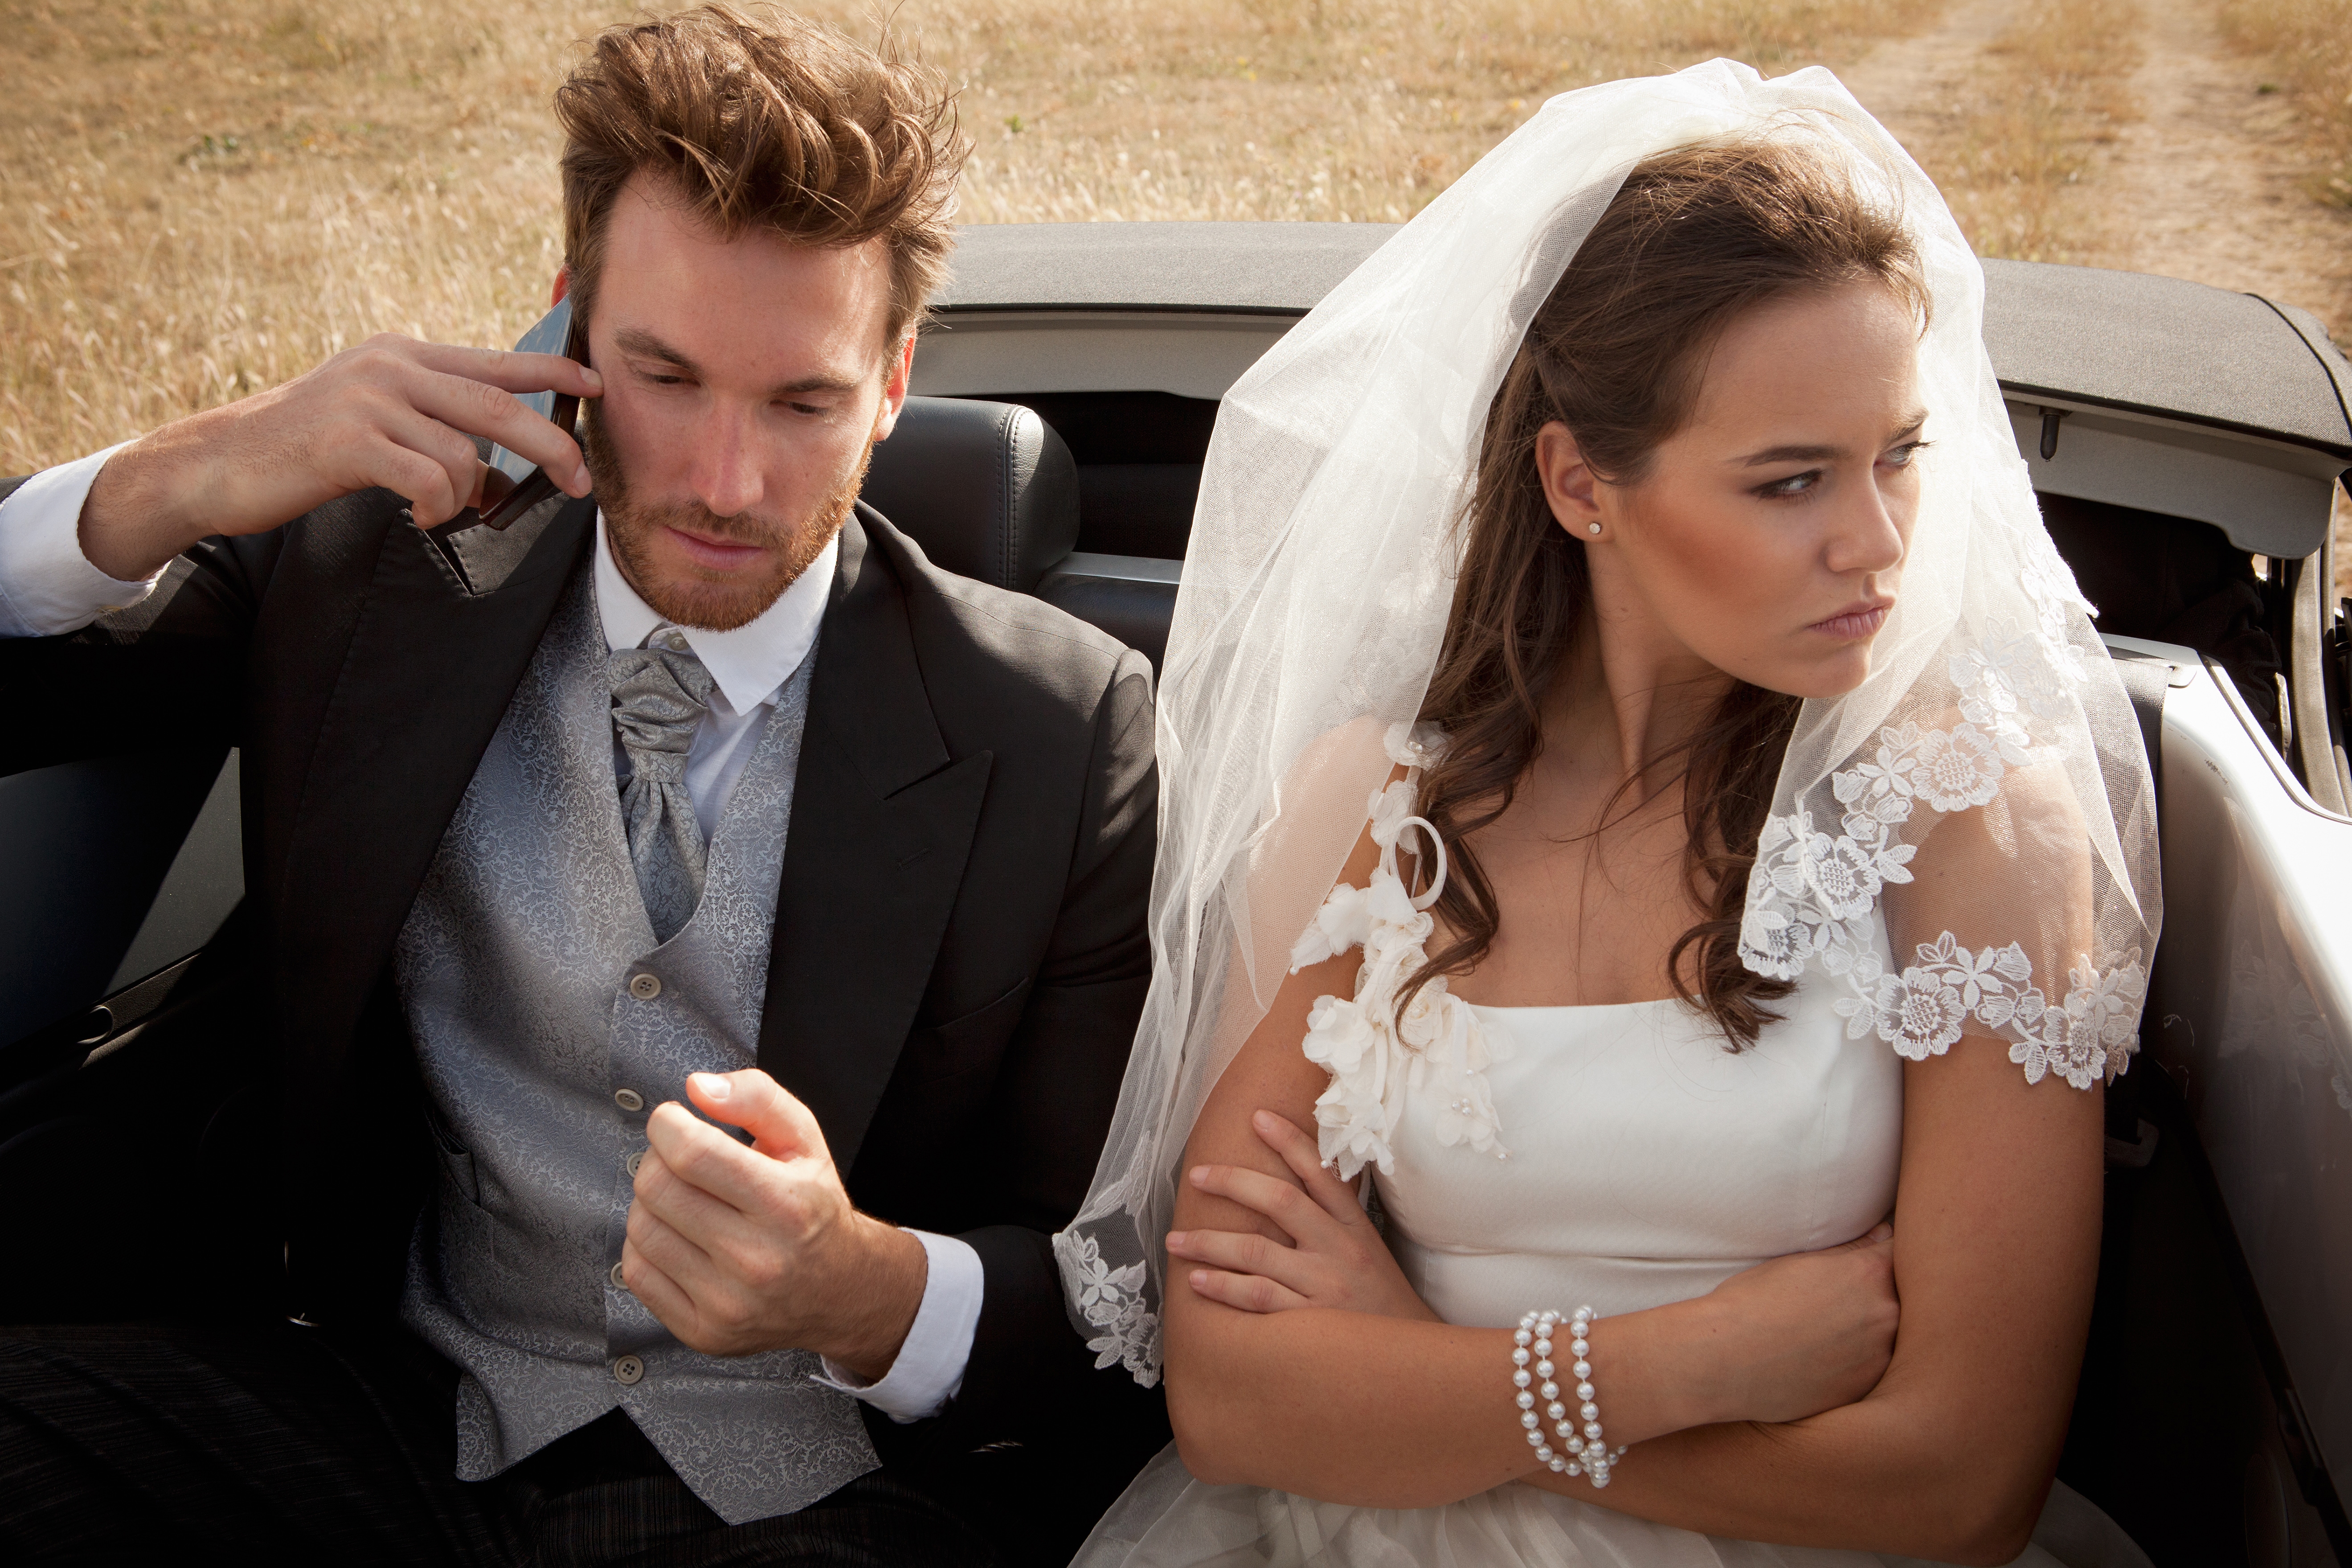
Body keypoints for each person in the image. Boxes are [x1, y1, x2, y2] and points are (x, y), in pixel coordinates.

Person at [0, 6, 1165, 1563]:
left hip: (807, 1488)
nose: (724, 483)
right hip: (387, 1405)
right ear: (566, 329)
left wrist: (870, 1286)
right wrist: (184, 471)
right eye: (664, 376)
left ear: (893, 383)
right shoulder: (372, 570)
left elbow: (1109, 1295)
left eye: (802, 402)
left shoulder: (1062, 725)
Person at [1052, 61, 2162, 1567]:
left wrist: (1429, 1394)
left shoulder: (1969, 821)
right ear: (1583, 485)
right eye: (1790, 482)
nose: (1879, 541)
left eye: (1900, 454)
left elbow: (1960, 1482)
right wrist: (1666, 1371)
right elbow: (1233, 1398)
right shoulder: (1393, 811)